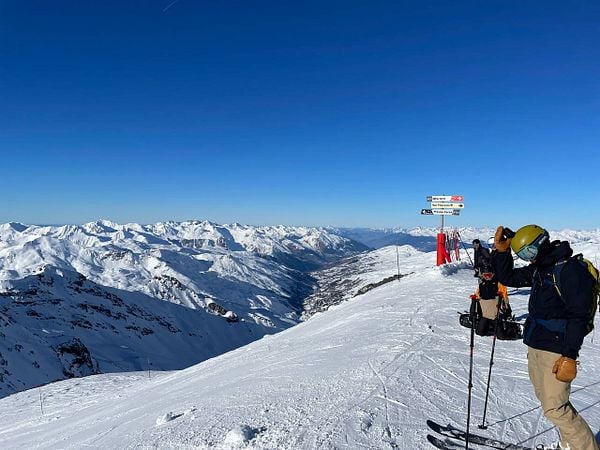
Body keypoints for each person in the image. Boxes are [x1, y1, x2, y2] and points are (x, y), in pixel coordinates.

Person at [492, 224, 598, 450]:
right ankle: (568, 444)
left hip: (557, 349)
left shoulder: (569, 270)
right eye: (522, 255)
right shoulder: (541, 267)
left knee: (555, 408)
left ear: (541, 243)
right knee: (549, 402)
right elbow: (508, 277)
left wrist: (569, 355)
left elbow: (578, 315)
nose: (527, 259)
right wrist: (502, 252)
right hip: (537, 343)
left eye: (528, 253)